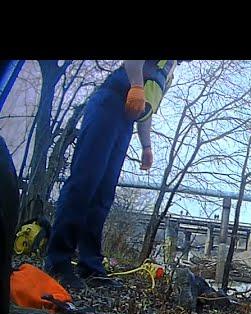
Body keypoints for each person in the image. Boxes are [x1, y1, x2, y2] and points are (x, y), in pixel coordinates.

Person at [45, 60, 185, 290]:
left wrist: (146, 146)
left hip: (126, 121)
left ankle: (90, 266)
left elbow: (145, 108)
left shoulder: (168, 74)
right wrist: (137, 85)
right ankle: (58, 261)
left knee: (103, 194)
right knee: (85, 181)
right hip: (109, 103)